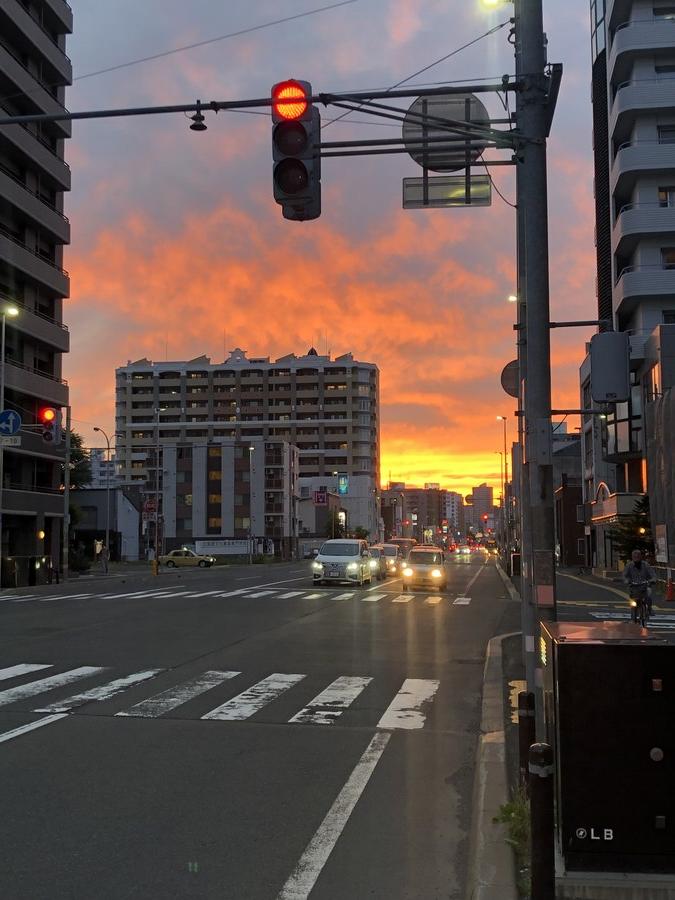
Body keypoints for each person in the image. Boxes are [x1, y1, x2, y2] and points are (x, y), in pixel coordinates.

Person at [623, 549, 656, 615]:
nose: (636, 558)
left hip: (644, 585)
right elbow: (624, 575)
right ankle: (633, 610)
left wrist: (653, 580)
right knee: (632, 598)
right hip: (633, 586)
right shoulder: (629, 565)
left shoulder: (646, 565)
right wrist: (626, 580)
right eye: (634, 556)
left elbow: (653, 574)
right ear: (632, 557)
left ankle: (649, 608)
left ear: (641, 557)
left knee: (648, 596)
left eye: (638, 556)